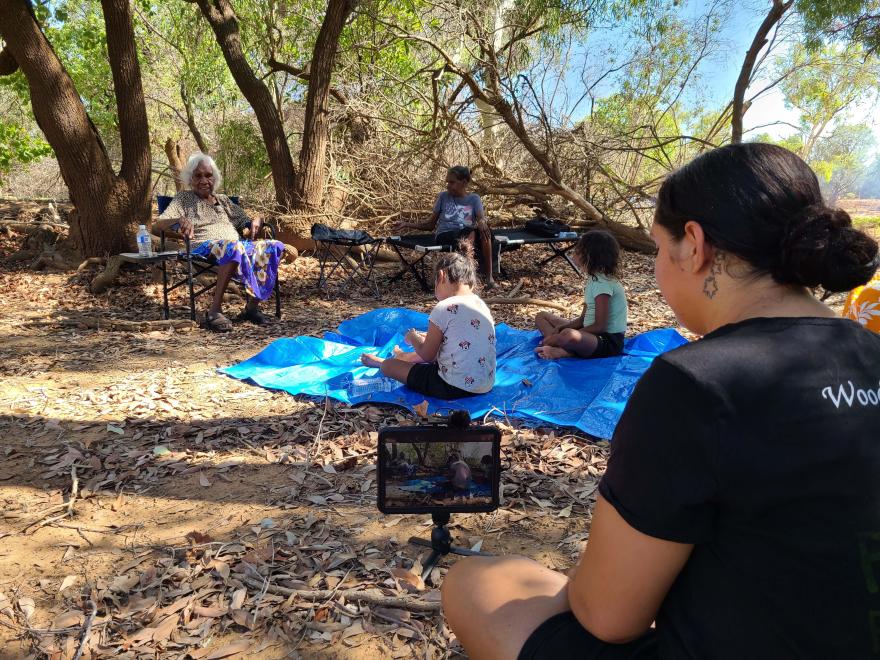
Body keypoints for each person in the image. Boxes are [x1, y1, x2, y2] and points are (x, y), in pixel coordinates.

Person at [440, 143, 880, 660]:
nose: (655, 268)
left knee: (474, 581)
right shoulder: (870, 348)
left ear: (693, 245)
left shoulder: (694, 382)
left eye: (655, 247)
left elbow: (609, 619)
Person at [153, 153, 284, 332]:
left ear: (215, 178)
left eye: (208, 175)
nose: (204, 180)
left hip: (234, 248)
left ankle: (251, 308)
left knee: (274, 246)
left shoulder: (223, 200)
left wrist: (257, 219)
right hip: (202, 248)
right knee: (233, 247)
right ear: (190, 179)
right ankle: (214, 311)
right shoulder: (184, 198)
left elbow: (245, 220)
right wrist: (179, 220)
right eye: (198, 176)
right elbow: (158, 225)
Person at [360, 246, 496, 399]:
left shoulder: (444, 307)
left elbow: (428, 356)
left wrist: (412, 337)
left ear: (441, 276)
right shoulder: (481, 305)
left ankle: (382, 362)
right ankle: (403, 357)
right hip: (485, 385)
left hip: (450, 386)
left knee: (389, 366)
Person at [534, 230, 628, 359]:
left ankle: (564, 351)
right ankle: (559, 344)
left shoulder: (603, 284)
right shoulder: (593, 279)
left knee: (569, 335)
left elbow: (600, 326)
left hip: (607, 341)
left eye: (577, 252)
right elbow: (583, 319)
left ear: (590, 256)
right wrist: (561, 328)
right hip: (590, 332)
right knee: (542, 316)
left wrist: (564, 334)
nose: (573, 256)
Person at [398, 165, 496, 288]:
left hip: (468, 235)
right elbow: (430, 225)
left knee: (485, 232)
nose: (448, 186)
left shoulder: (474, 199)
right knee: (472, 232)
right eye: (447, 182)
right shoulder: (444, 197)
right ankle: (467, 273)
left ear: (464, 182)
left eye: (452, 182)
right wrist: (407, 224)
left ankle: (489, 276)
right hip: (445, 234)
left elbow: (481, 218)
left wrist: (482, 222)